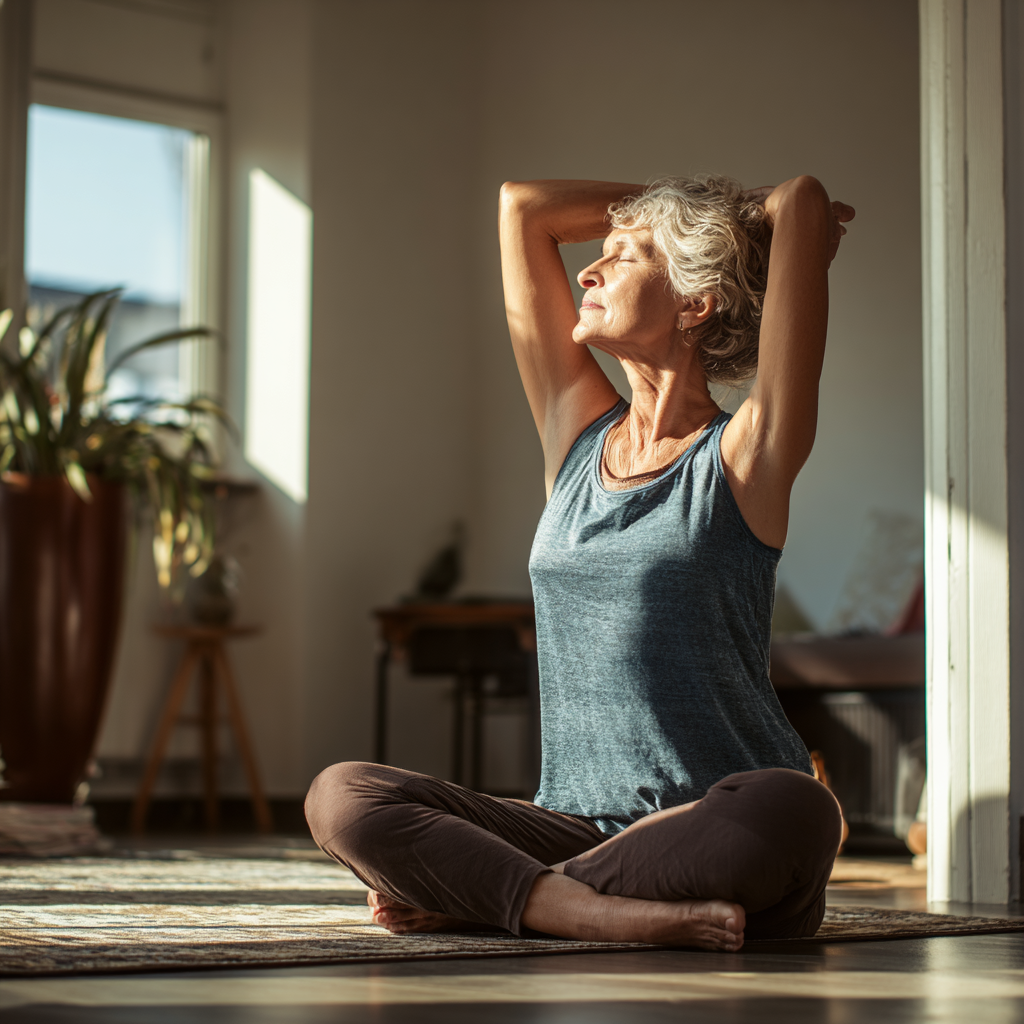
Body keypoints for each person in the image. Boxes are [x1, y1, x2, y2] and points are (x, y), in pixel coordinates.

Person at [305, 174, 856, 952]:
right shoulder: (576, 440)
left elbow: (800, 199)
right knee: (343, 795)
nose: (589, 272)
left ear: (695, 302)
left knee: (797, 809)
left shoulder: (741, 459)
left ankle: (509, 900)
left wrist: (721, 221)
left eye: (625, 257)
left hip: (717, 826)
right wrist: (677, 214)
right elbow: (522, 208)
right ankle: (585, 910)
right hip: (575, 829)